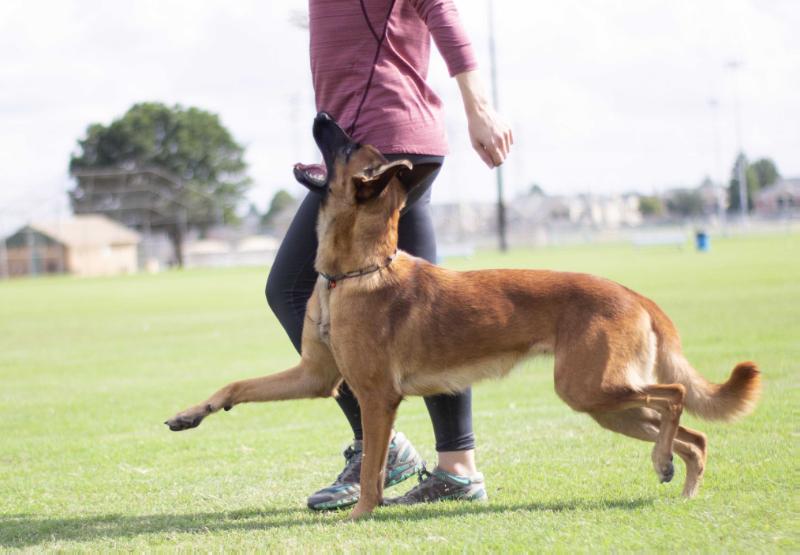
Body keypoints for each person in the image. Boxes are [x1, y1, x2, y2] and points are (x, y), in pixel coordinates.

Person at [265, 0, 513, 511]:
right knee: (432, 318)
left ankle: (380, 443)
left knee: (289, 288)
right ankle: (457, 469)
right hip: (394, 139)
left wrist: (479, 106)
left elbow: (441, 10)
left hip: (375, 148)